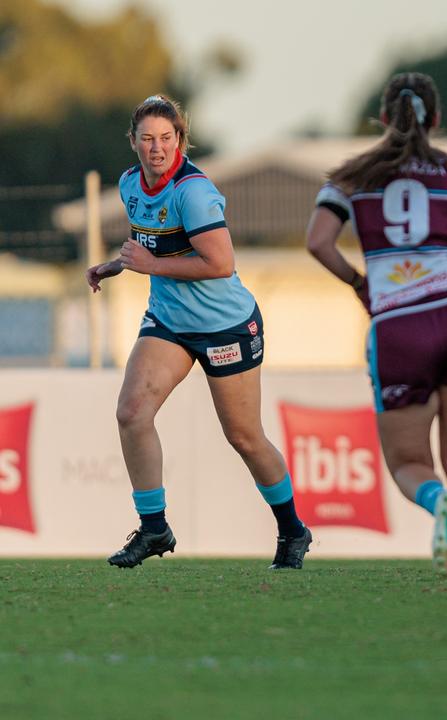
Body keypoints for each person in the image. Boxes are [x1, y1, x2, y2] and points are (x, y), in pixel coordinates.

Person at [305, 72, 447, 613]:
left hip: (400, 325)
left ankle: (434, 500)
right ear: (437, 119)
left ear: (381, 119)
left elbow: (318, 243)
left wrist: (358, 283)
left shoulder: (353, 176)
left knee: (406, 461)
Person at [86, 95, 311, 569]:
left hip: (224, 327)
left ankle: (292, 530)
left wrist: (149, 264)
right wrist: (113, 266)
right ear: (133, 142)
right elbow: (149, 246)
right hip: (169, 323)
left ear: (181, 141)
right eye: (147, 138)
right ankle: (154, 528)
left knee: (245, 437)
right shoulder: (130, 184)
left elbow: (220, 262)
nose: (157, 147)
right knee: (131, 412)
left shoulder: (193, 191)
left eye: (166, 138)